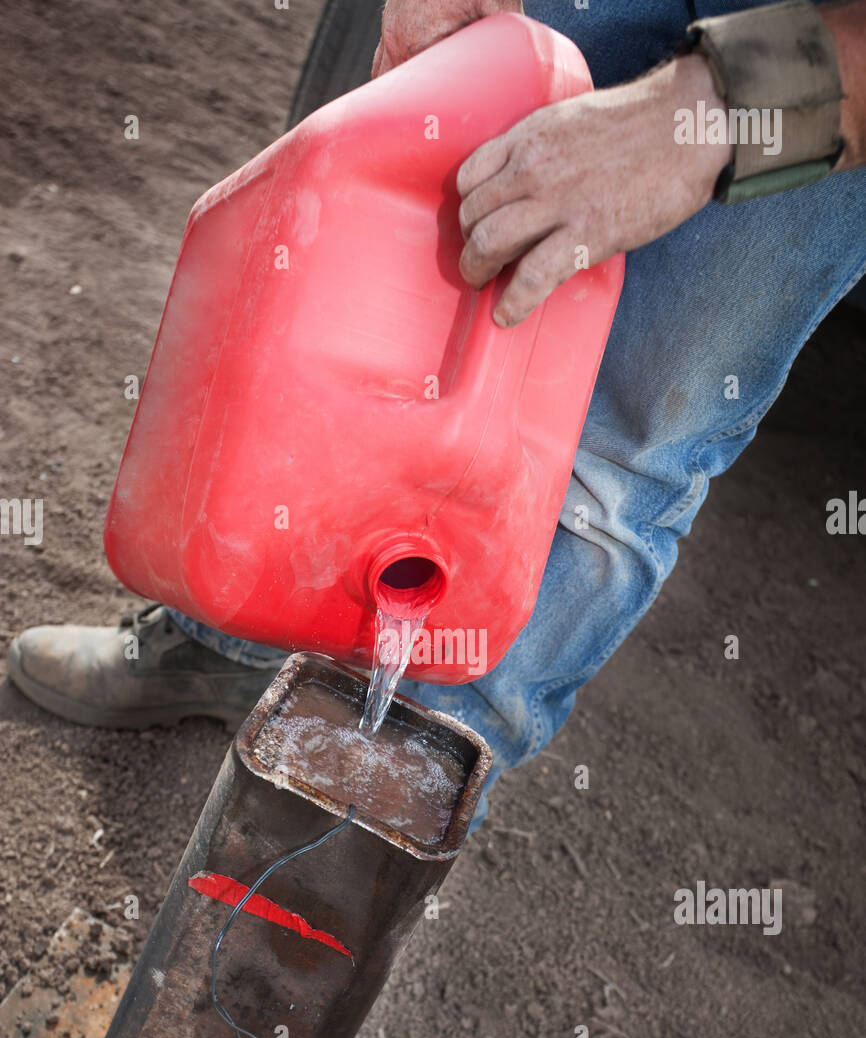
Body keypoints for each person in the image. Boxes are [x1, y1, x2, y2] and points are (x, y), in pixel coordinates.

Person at [9, 0, 866, 825]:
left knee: (618, 459)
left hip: (827, 51)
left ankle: (342, 853)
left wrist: (710, 118)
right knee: (387, 278)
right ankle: (231, 638)